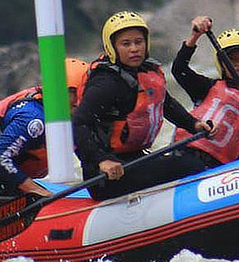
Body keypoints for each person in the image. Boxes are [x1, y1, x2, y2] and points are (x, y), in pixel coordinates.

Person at [72, 11, 214, 200]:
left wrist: (193, 124)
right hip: (107, 175)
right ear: (112, 47)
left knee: (191, 159)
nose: (134, 49)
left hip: (134, 159)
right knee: (190, 166)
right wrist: (101, 160)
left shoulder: (146, 71)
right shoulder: (106, 83)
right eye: (126, 44)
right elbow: (78, 123)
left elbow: (165, 103)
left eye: (138, 42)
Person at [0, 57, 90, 198]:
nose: (80, 100)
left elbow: (82, 147)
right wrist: (37, 190)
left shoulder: (65, 112)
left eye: (84, 93)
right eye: (74, 93)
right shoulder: (33, 119)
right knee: (34, 196)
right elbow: (0, 157)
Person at [170, 16, 239, 170]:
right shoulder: (206, 87)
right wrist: (195, 36)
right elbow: (179, 69)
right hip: (188, 159)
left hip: (224, 174)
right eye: (231, 59)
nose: (238, 63)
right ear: (221, 63)